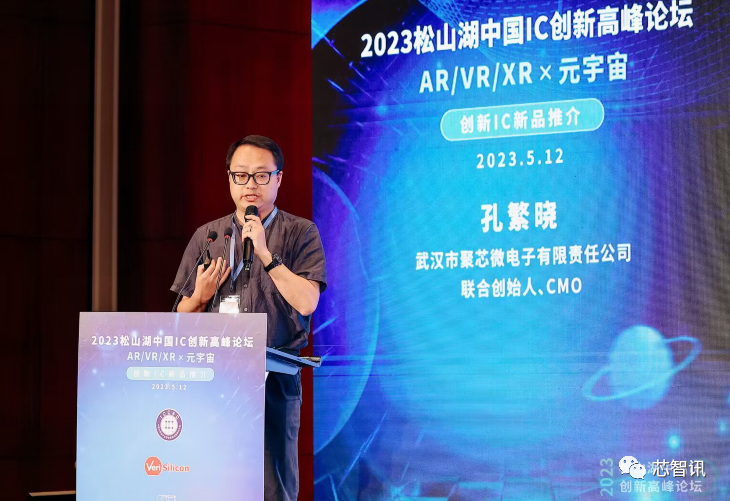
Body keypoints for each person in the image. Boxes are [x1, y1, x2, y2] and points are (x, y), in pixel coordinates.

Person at [171, 135, 327, 501]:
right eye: (240, 175)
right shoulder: (207, 237)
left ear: (278, 178)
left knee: (273, 485)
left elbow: (307, 303)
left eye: (261, 175)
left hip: (274, 379)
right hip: (216, 377)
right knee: (214, 479)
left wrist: (266, 254)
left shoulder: (300, 232)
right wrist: (200, 297)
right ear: (229, 178)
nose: (250, 185)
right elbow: (179, 318)